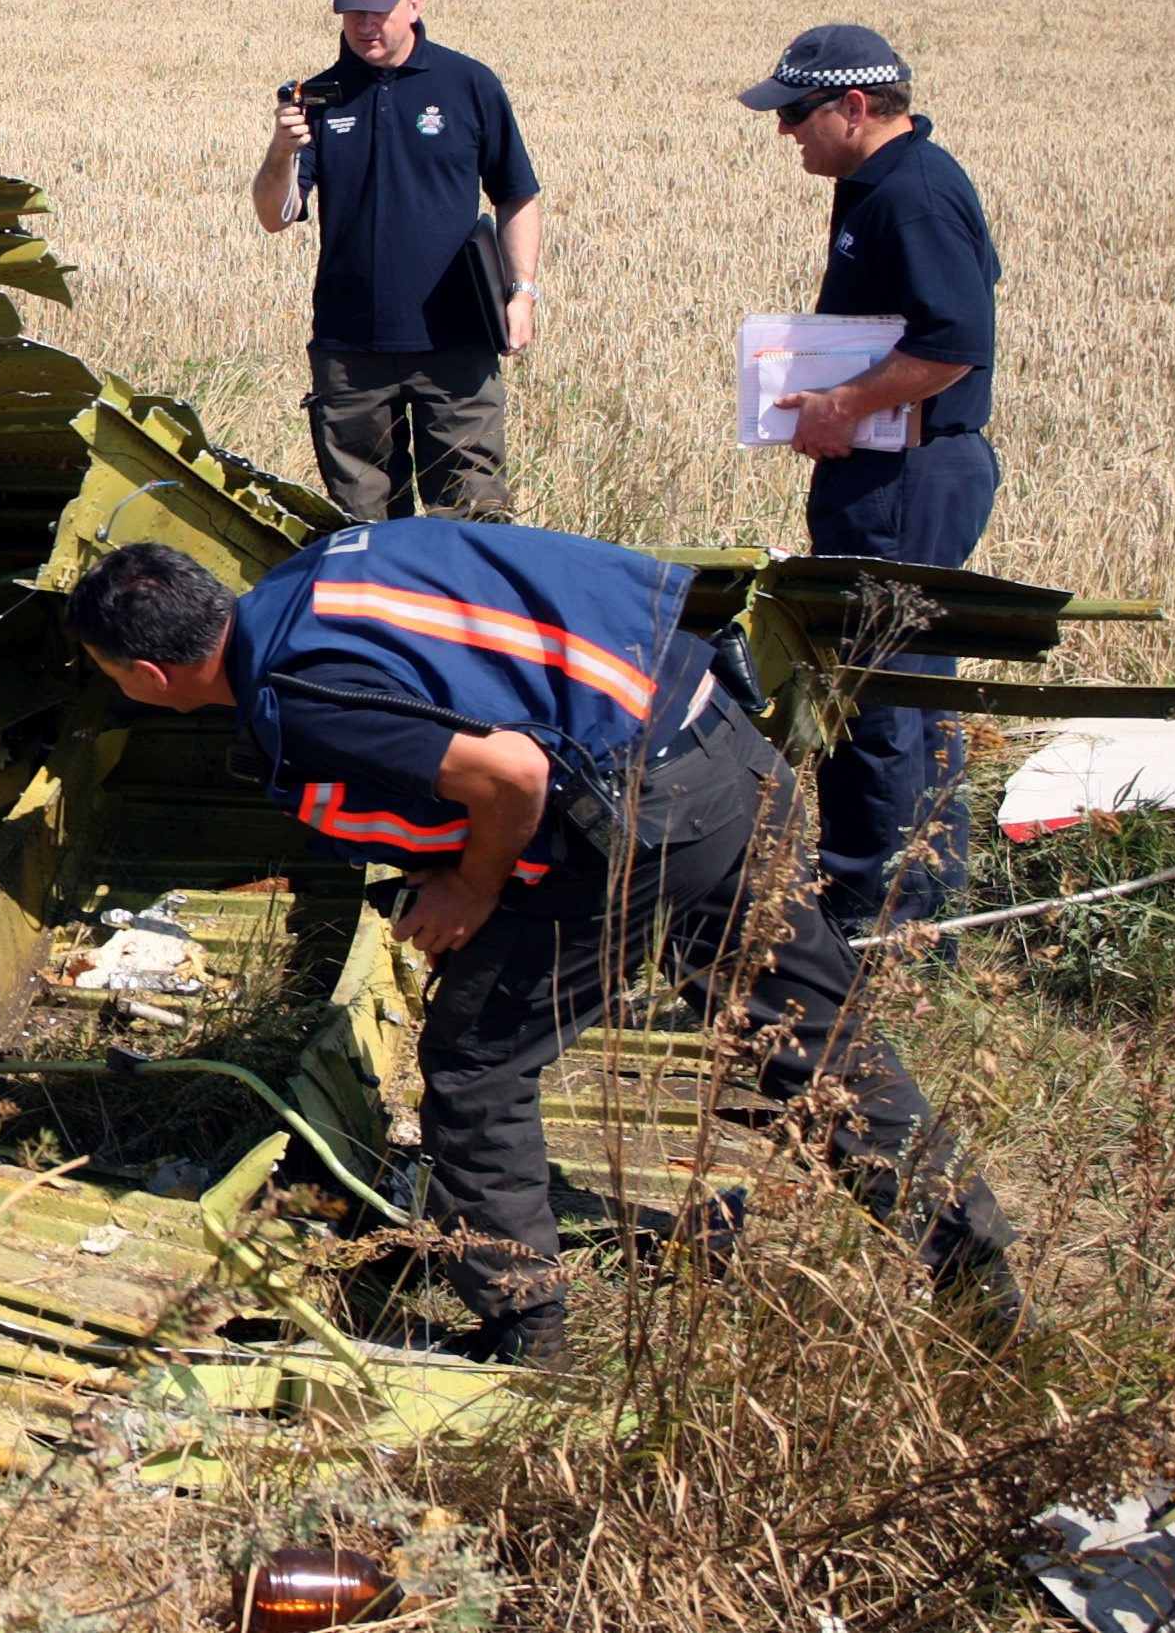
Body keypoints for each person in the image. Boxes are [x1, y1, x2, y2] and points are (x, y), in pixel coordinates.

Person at [65, 527, 1019, 1360]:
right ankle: (976, 1271)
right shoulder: (317, 576)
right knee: (815, 1035)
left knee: (477, 1063)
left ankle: (529, 1332)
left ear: (150, 676)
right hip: (715, 733)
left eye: (114, 677)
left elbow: (511, 771)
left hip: (645, 811)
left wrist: (473, 889)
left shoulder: (303, 692)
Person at [740, 25, 1005, 936]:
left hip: (908, 478)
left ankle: (875, 918)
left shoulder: (914, 197)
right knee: (903, 683)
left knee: (876, 690)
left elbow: (951, 345)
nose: (787, 135)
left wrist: (841, 406)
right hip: (894, 474)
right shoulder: (879, 186)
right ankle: (910, 908)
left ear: (855, 107)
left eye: (798, 115)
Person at [252, 0, 546, 524]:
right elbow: (274, 215)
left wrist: (522, 292)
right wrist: (281, 150)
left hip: (458, 344)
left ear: (415, 3)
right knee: (362, 529)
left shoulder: (469, 85)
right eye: (352, 11)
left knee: (472, 521)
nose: (364, 25)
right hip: (351, 349)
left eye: (377, 10)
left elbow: (517, 194)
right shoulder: (319, 97)